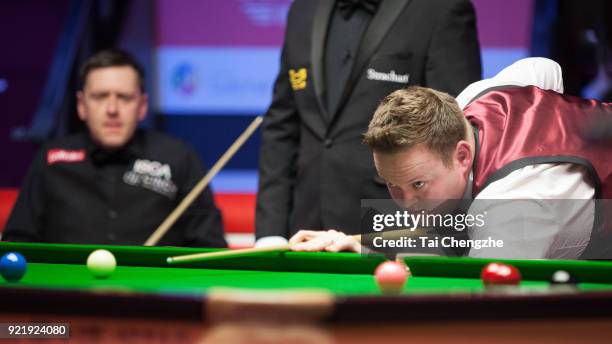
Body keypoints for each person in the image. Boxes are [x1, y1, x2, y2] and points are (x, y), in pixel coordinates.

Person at [289, 58, 612, 259]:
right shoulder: (473, 103)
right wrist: (355, 242)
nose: (405, 203)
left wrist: (377, 252)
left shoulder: (512, 210)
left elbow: (476, 306)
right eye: (392, 186)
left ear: (462, 155)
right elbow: (544, 67)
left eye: (418, 184)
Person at [256, 0, 482, 245]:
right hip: (305, 226)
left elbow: (452, 130)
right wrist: (271, 231)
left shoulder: (441, 8)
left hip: (390, 227)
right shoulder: (304, 8)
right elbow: (282, 126)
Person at [3, 50, 227, 247]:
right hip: (64, 292)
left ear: (142, 106)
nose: (112, 109)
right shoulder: (52, 158)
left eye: (124, 97)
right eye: (100, 97)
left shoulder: (178, 157)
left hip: (157, 293)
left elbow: (210, 246)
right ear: (82, 106)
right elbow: (18, 241)